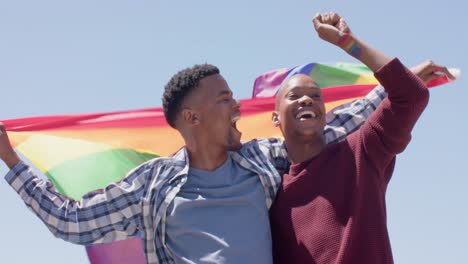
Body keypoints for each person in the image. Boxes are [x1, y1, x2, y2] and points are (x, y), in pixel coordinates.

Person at [0, 12, 448, 264]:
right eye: (225, 99)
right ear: (192, 117)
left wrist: (398, 81)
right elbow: (69, 221)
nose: (237, 107)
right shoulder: (152, 186)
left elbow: (329, 125)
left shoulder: (263, 164)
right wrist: (10, 159)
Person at [268, 12, 454, 264]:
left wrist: (347, 42)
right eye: (294, 95)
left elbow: (411, 94)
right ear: (276, 118)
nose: (306, 99)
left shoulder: (361, 152)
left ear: (326, 114)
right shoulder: (270, 194)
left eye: (315, 95)